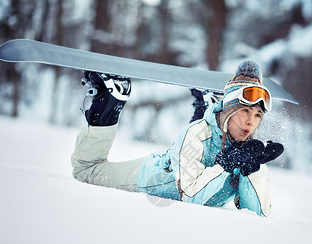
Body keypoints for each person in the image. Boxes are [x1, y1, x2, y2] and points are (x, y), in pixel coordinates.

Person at [71, 60, 283, 216]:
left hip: (184, 164)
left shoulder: (249, 152)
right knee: (86, 170)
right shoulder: (196, 134)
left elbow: (258, 214)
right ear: (229, 108)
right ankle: (108, 98)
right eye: (245, 111)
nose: (251, 122)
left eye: (257, 115)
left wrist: (252, 169)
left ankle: (205, 105)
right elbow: (191, 196)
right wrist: (226, 165)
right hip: (151, 178)